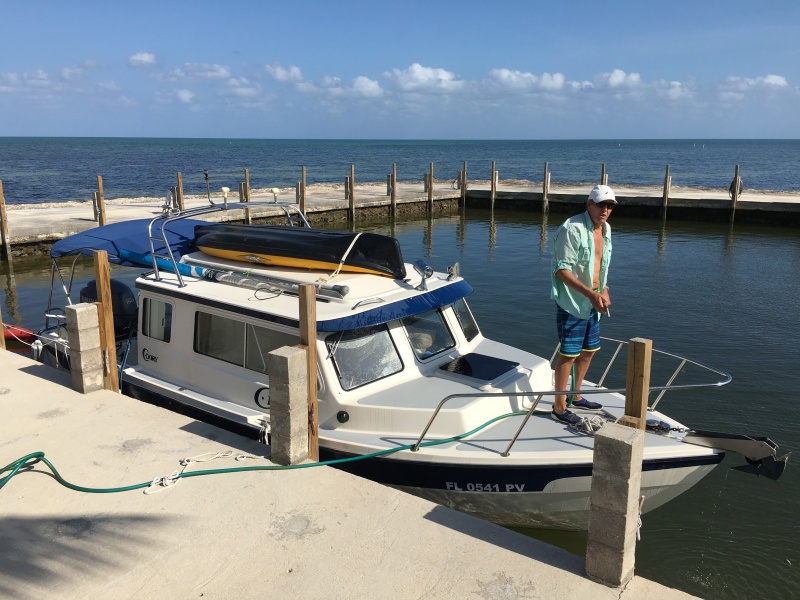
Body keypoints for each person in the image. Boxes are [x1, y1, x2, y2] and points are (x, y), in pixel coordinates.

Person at [549, 184, 616, 425]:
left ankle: (575, 396)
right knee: (568, 355)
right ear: (589, 204)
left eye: (609, 206)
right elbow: (561, 270)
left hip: (594, 303)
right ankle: (559, 407)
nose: (605, 210)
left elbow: (601, 267)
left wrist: (604, 291)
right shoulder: (572, 228)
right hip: (574, 303)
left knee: (589, 351)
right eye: (600, 205)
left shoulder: (606, 229)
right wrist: (590, 294)